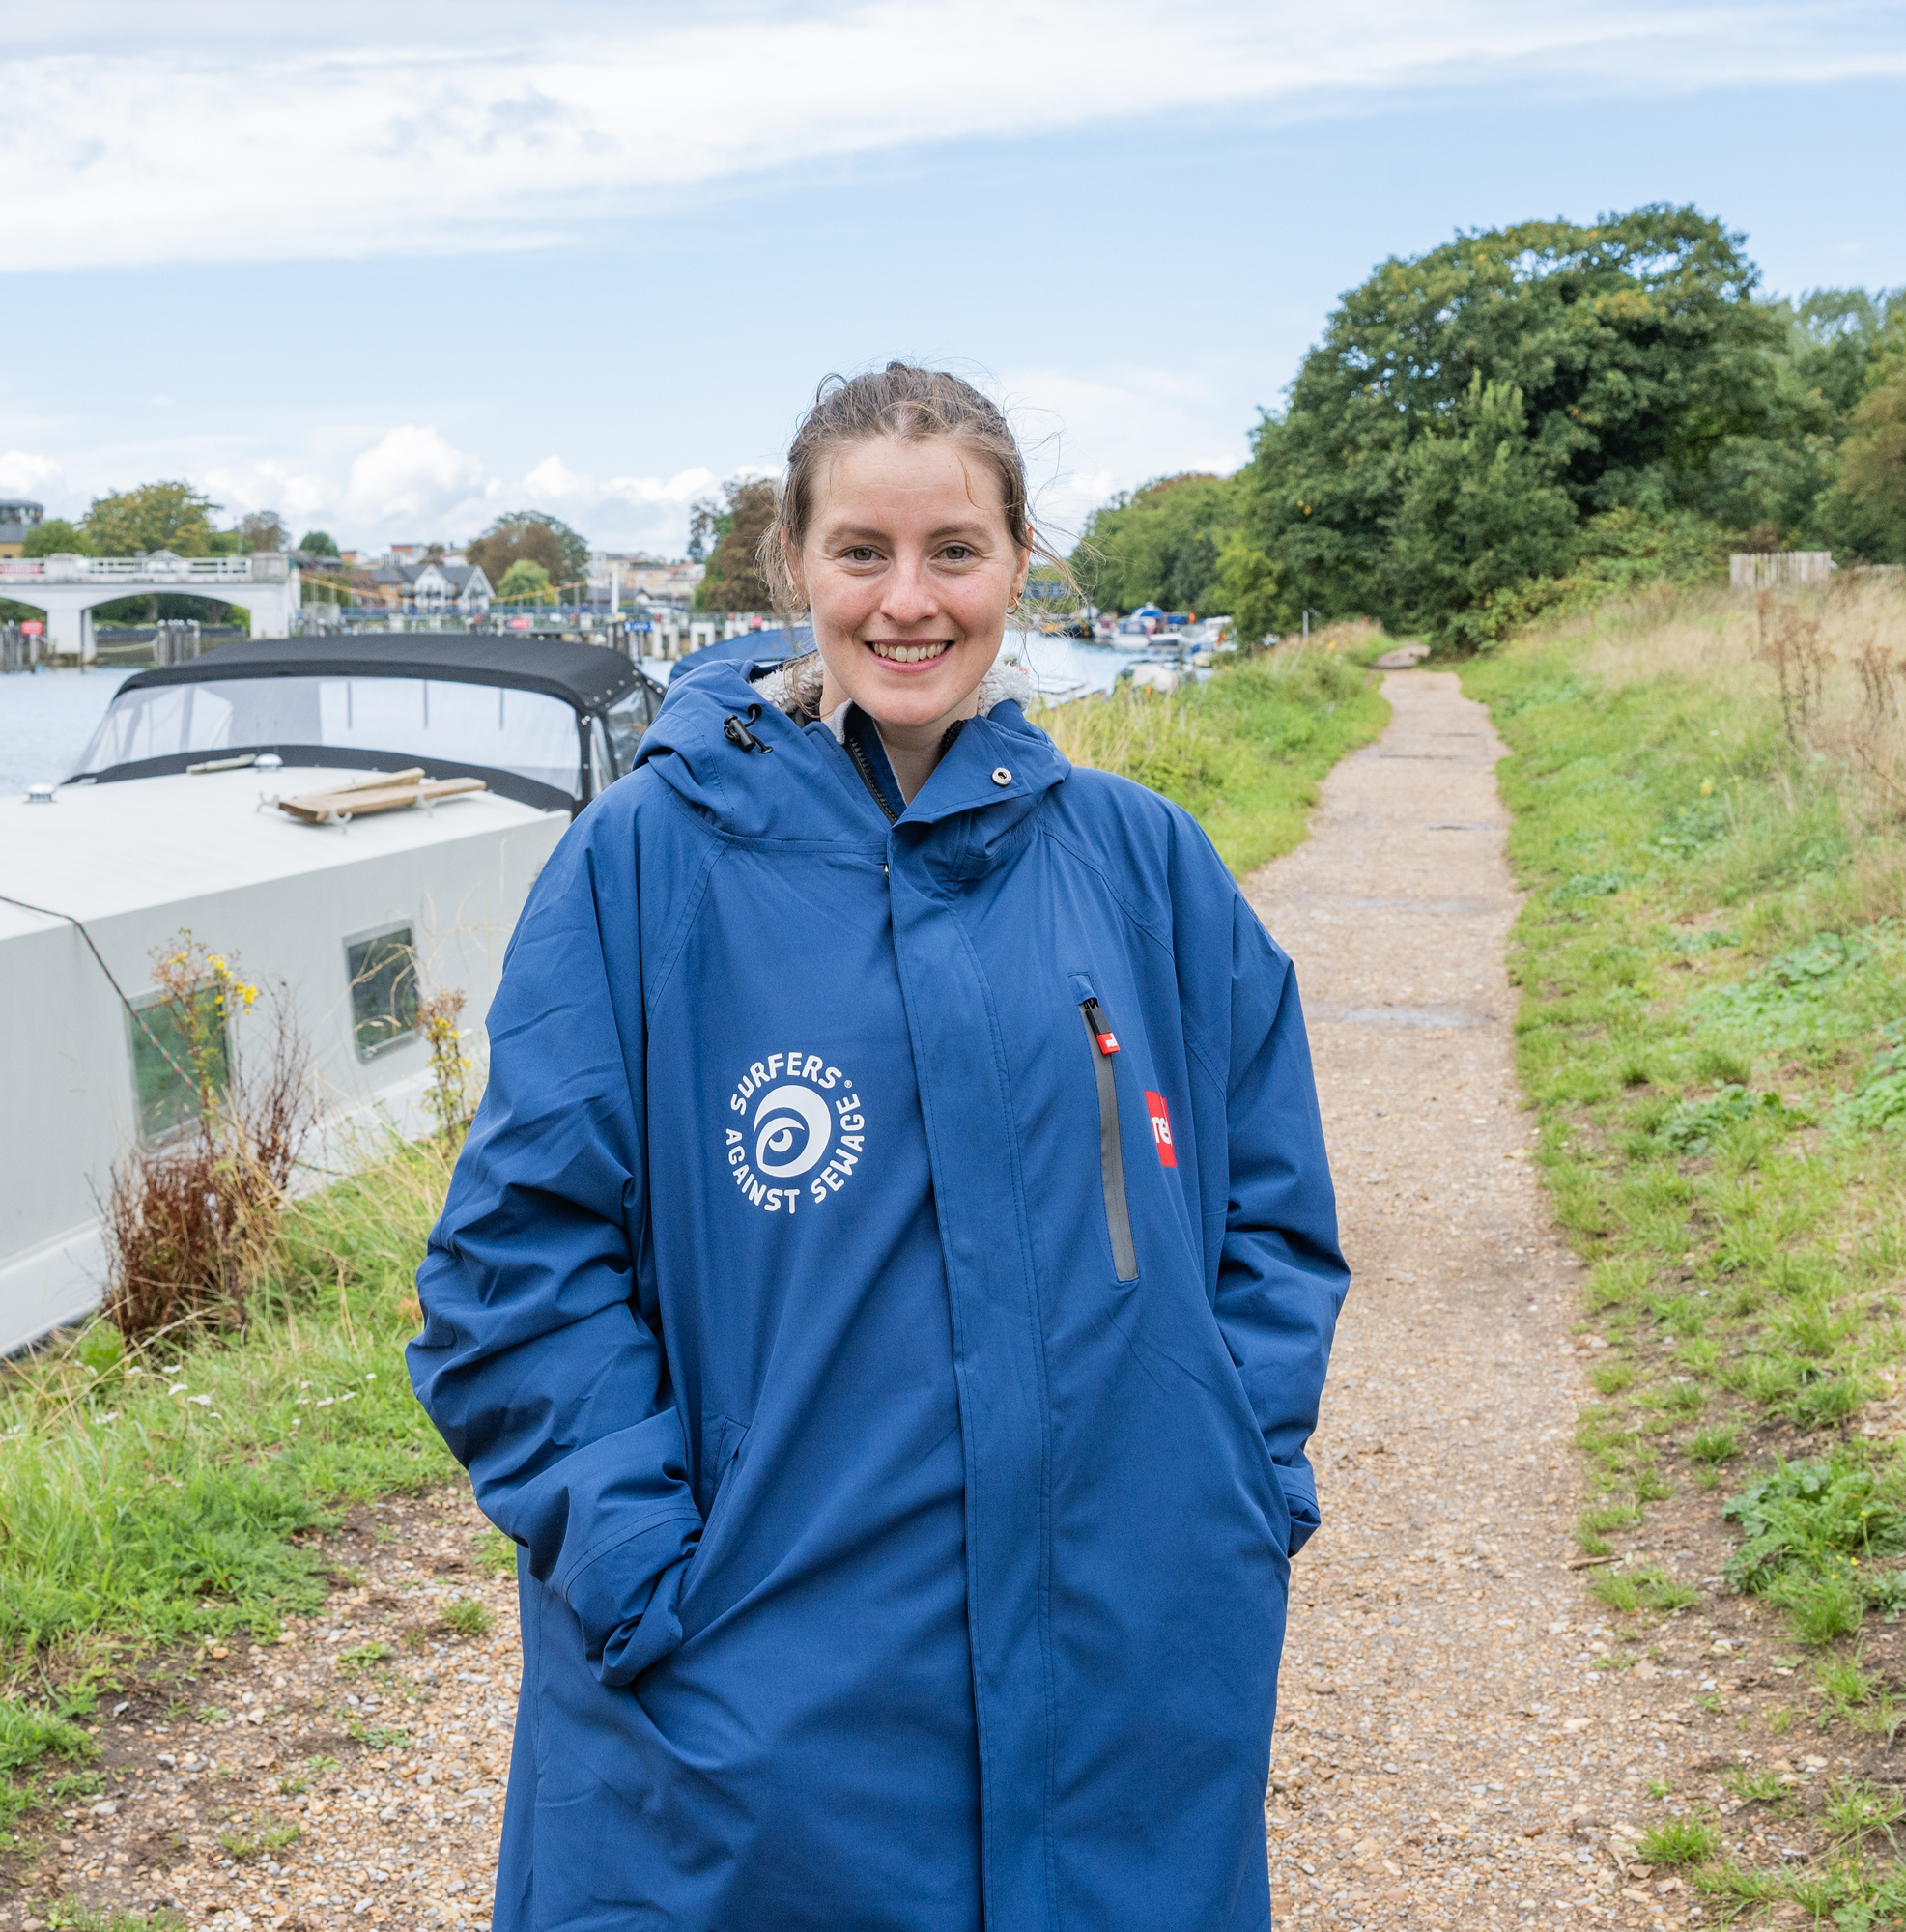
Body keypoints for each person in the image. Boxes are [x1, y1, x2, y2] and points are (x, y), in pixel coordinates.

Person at [407, 363, 1346, 1930]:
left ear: (1018, 562)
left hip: (1120, 1677)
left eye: (954, 551)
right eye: (863, 552)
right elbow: (515, 1269)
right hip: (759, 1717)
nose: (909, 602)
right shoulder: (645, 864)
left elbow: (1272, 1212)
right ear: (794, 563)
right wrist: (652, 1578)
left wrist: (1233, 1500)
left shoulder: (1141, 862)